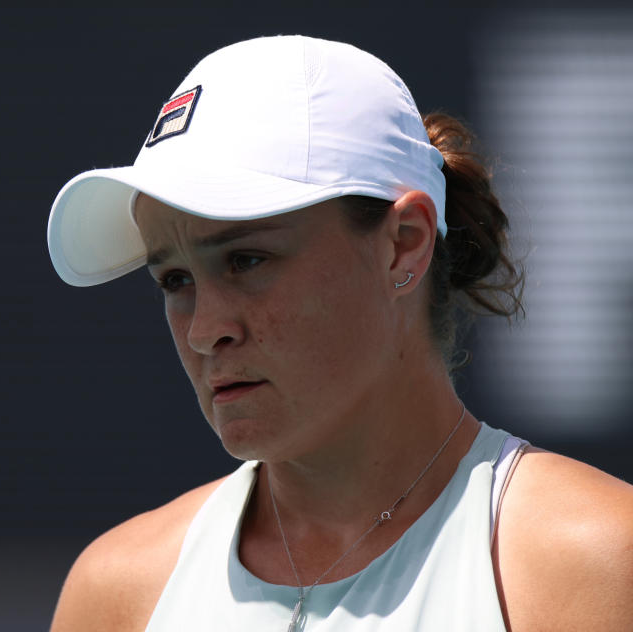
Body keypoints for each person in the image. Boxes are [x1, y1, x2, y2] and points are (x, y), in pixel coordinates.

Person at [45, 36, 633, 631]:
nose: (204, 331)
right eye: (174, 279)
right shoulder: (116, 595)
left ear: (404, 243)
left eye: (247, 260)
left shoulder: (599, 562)